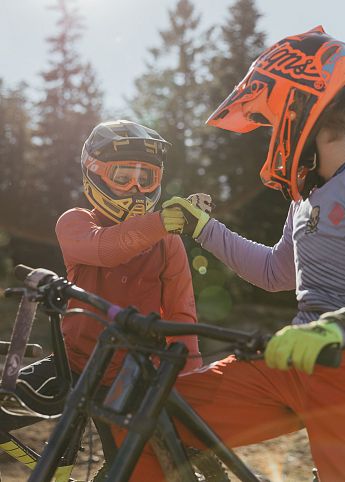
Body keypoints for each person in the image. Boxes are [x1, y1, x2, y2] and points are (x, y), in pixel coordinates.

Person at [121, 26, 345, 481]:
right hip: (290, 359)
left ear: (300, 110)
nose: (273, 134)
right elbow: (277, 272)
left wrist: (334, 329)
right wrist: (204, 229)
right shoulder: (305, 196)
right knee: (150, 419)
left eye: (274, 120)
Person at [0, 120, 202, 470]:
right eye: (123, 178)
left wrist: (192, 384)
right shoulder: (75, 221)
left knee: (129, 471)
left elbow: (181, 315)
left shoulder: (168, 242)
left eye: (147, 178)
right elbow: (105, 249)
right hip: (74, 366)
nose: (136, 189)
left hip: (133, 378)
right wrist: (158, 224)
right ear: (93, 176)